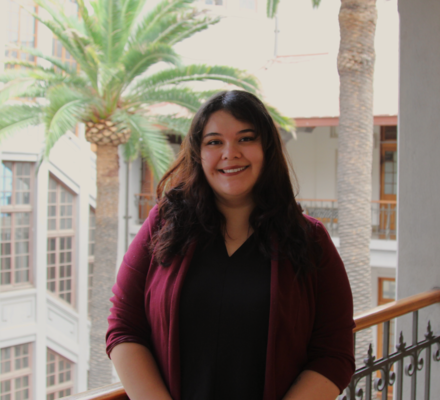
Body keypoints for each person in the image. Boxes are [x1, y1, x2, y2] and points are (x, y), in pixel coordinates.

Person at [106, 90, 355, 400]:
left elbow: (334, 353)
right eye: (214, 142)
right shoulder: (164, 224)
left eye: (246, 139)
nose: (230, 153)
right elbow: (124, 326)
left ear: (266, 148)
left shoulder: (310, 240)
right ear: (198, 153)